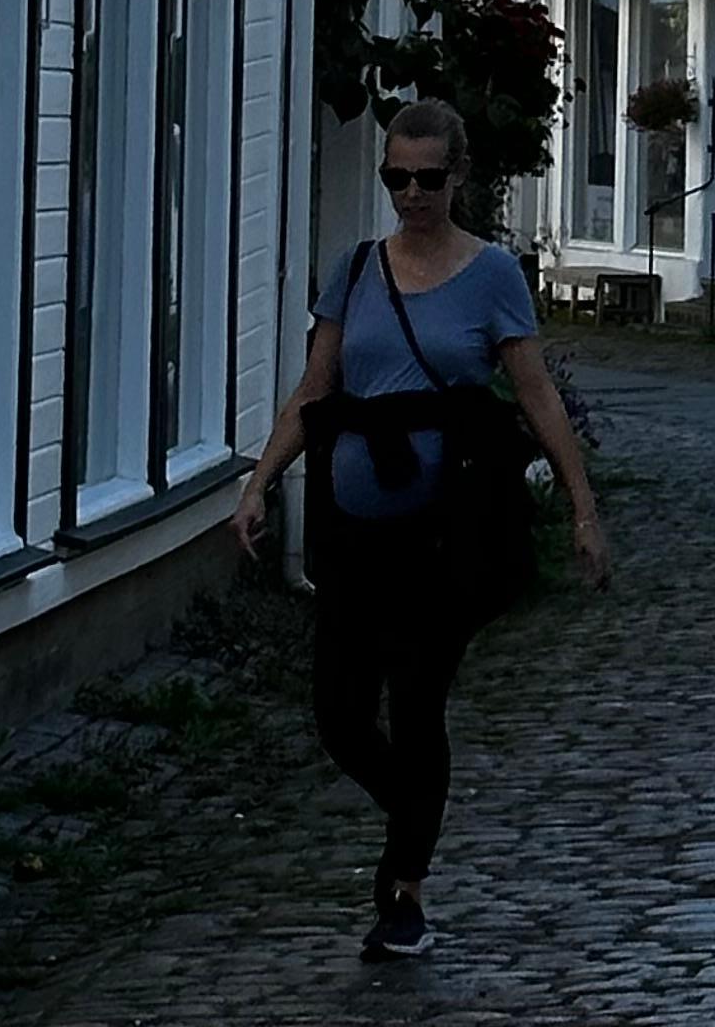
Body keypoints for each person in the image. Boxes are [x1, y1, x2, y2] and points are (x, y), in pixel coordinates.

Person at [235, 100, 607, 958]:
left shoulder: (489, 277)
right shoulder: (357, 269)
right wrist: (260, 483)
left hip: (446, 535)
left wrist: (584, 509)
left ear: (460, 176)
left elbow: (535, 393)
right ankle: (416, 809)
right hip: (353, 528)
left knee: (416, 699)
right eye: (396, 178)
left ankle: (402, 892)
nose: (411, 194)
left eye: (428, 178)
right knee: (337, 713)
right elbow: (314, 389)